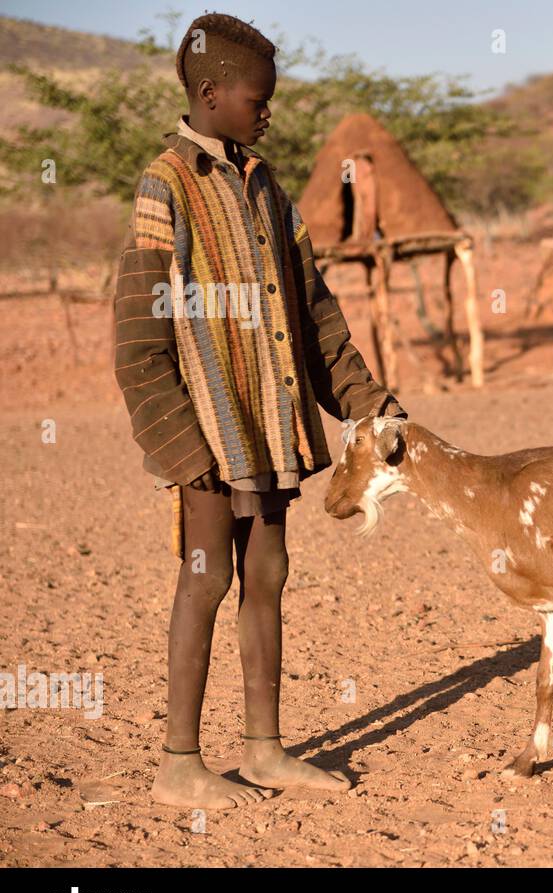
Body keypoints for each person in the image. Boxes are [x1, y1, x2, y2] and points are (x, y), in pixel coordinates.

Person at [113, 12, 404, 808]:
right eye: (257, 98)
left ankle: (266, 750)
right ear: (209, 94)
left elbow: (315, 316)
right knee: (203, 580)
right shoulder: (164, 186)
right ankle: (179, 762)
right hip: (205, 434)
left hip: (268, 424)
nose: (268, 111)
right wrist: (182, 446)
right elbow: (138, 340)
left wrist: (369, 403)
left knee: (268, 574)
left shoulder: (268, 188)